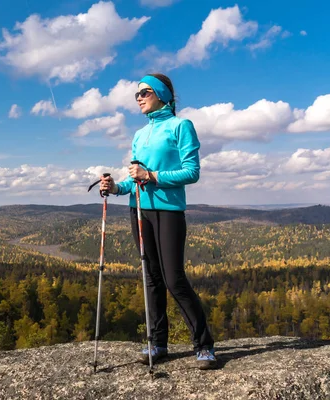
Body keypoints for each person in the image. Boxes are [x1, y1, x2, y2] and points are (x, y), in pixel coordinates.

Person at [100, 73, 217, 370]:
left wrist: (152, 176)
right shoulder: (140, 135)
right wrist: (115, 187)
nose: (139, 97)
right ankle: (157, 342)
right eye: (136, 94)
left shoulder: (181, 126)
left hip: (168, 211)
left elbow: (192, 172)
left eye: (145, 92)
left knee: (173, 279)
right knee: (150, 278)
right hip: (139, 210)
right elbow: (133, 180)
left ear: (162, 94)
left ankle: (203, 345)